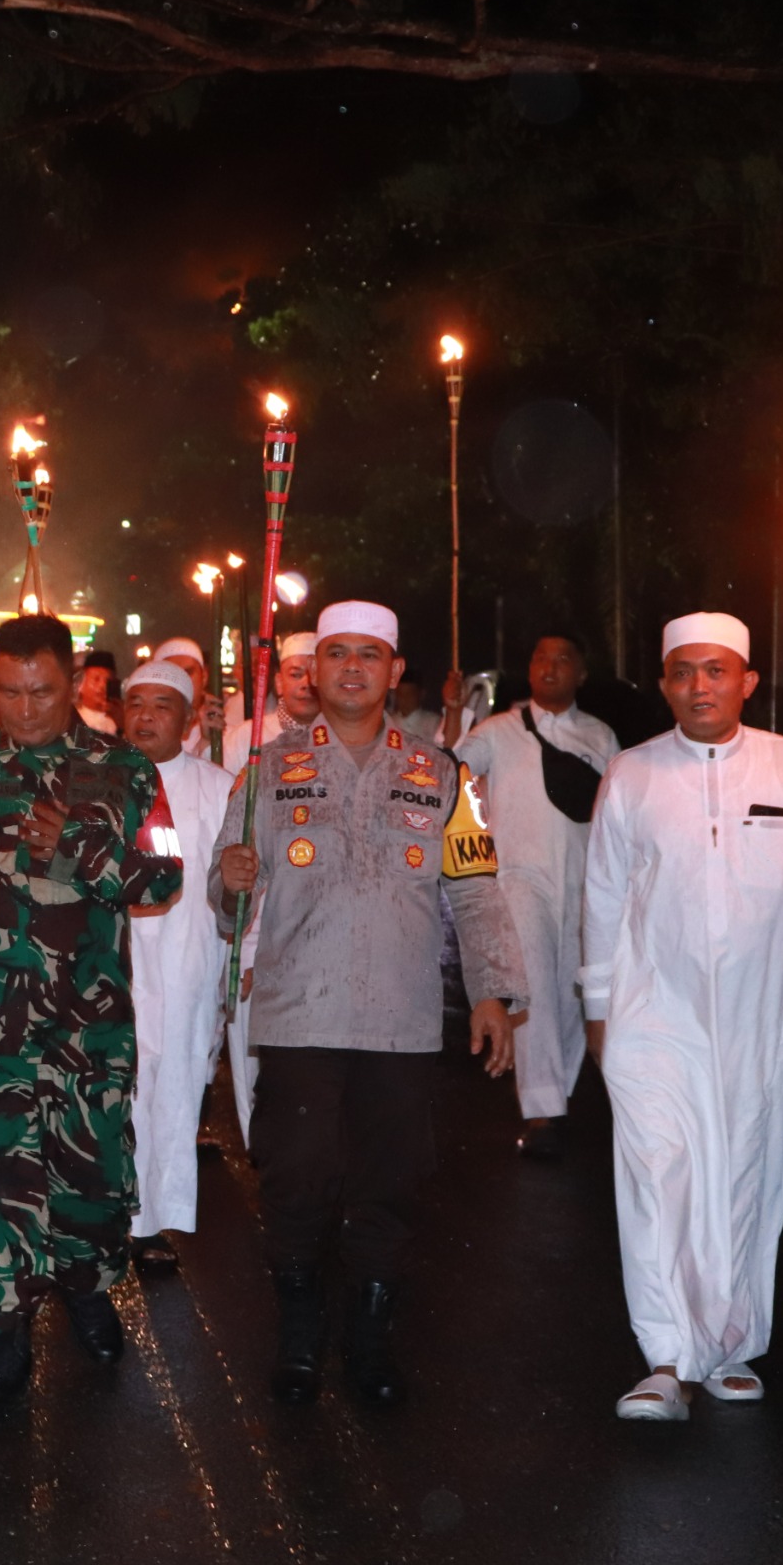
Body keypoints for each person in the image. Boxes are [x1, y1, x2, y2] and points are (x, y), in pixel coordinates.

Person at [213, 601, 525, 1407]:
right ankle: (299, 1335)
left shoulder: (445, 774)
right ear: (313, 671)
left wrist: (493, 990)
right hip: (300, 1012)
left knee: (389, 1186)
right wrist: (233, 880)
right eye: (336, 653)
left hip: (402, 1020)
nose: (352, 667)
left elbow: (476, 886)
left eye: (370, 655)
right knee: (298, 1181)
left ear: (394, 670)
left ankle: (372, 1340)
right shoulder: (265, 771)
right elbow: (226, 899)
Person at [0, 613, 182, 1432]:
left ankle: (89, 1285)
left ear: (77, 684)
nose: (25, 710)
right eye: (11, 693)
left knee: (91, 1188)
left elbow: (163, 878)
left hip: (88, 1030)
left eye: (44, 692)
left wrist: (87, 850)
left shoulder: (125, 769)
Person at [581, 612, 783, 1422]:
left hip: (758, 1015)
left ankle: (732, 1342)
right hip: (651, 1010)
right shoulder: (631, 772)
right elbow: (600, 896)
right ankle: (666, 1357)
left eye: (716, 671)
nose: (700, 686)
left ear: (747, 681)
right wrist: (598, 1009)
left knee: (743, 1175)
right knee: (658, 1175)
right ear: (665, 682)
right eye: (683, 672)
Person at [451, 633, 622, 1159]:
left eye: (563, 659)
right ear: (529, 669)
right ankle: (543, 1110)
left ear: (581, 674)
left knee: (575, 987)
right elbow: (446, 768)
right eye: (541, 658)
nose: (550, 668)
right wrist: (458, 713)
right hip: (520, 878)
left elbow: (620, 810)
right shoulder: (498, 730)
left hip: (586, 878)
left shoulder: (600, 736)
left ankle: (558, 1096)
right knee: (533, 986)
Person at [117, 660, 232, 1275]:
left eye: (162, 705)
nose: (146, 716)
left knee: (176, 1088)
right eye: (136, 703)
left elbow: (240, 882)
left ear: (187, 719)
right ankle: (114, 1214)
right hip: (114, 963)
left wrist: (244, 955)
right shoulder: (96, 781)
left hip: (188, 960)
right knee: (119, 1086)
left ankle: (156, 1219)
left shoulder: (218, 787)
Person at [221, 632, 318, 774]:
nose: (306, 683)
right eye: (296, 675)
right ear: (279, 682)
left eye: (315, 675)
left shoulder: (345, 735)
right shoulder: (244, 737)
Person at [150, 637, 219, 757]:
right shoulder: (146, 734)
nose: (182, 681)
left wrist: (208, 742)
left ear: (204, 678)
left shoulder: (227, 734)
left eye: (188, 672)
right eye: (172, 674)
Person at [75, 648, 122, 735]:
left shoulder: (121, 721)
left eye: (108, 681)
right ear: (80, 684)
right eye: (96, 679)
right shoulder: (73, 720)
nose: (102, 686)